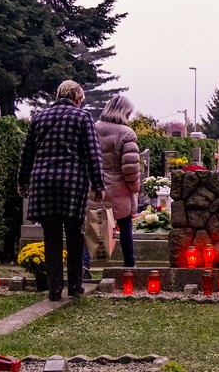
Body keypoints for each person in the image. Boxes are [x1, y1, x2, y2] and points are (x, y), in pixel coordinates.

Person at [18, 80, 105, 301]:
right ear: (77, 97)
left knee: (51, 238)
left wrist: (23, 182)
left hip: (43, 183)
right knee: (75, 235)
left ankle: (54, 289)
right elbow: (93, 154)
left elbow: (26, 154)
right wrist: (98, 184)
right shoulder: (83, 117)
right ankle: (75, 285)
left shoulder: (38, 118)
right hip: (72, 183)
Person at [94, 95, 142, 267]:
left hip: (97, 185)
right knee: (125, 227)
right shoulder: (126, 133)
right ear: (125, 112)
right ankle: (129, 264)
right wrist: (135, 188)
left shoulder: (94, 128)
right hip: (119, 189)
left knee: (94, 228)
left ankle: (85, 265)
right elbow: (130, 168)